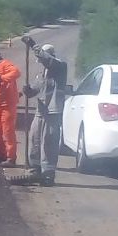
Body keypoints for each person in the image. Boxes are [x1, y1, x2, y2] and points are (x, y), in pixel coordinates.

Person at [19, 42, 68, 186]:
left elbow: (48, 61)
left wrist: (33, 45)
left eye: (42, 59)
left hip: (53, 110)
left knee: (49, 141)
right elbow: (36, 89)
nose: (41, 62)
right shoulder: (42, 73)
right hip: (41, 110)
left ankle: (48, 174)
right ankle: (35, 170)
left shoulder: (60, 66)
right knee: (34, 138)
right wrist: (28, 90)